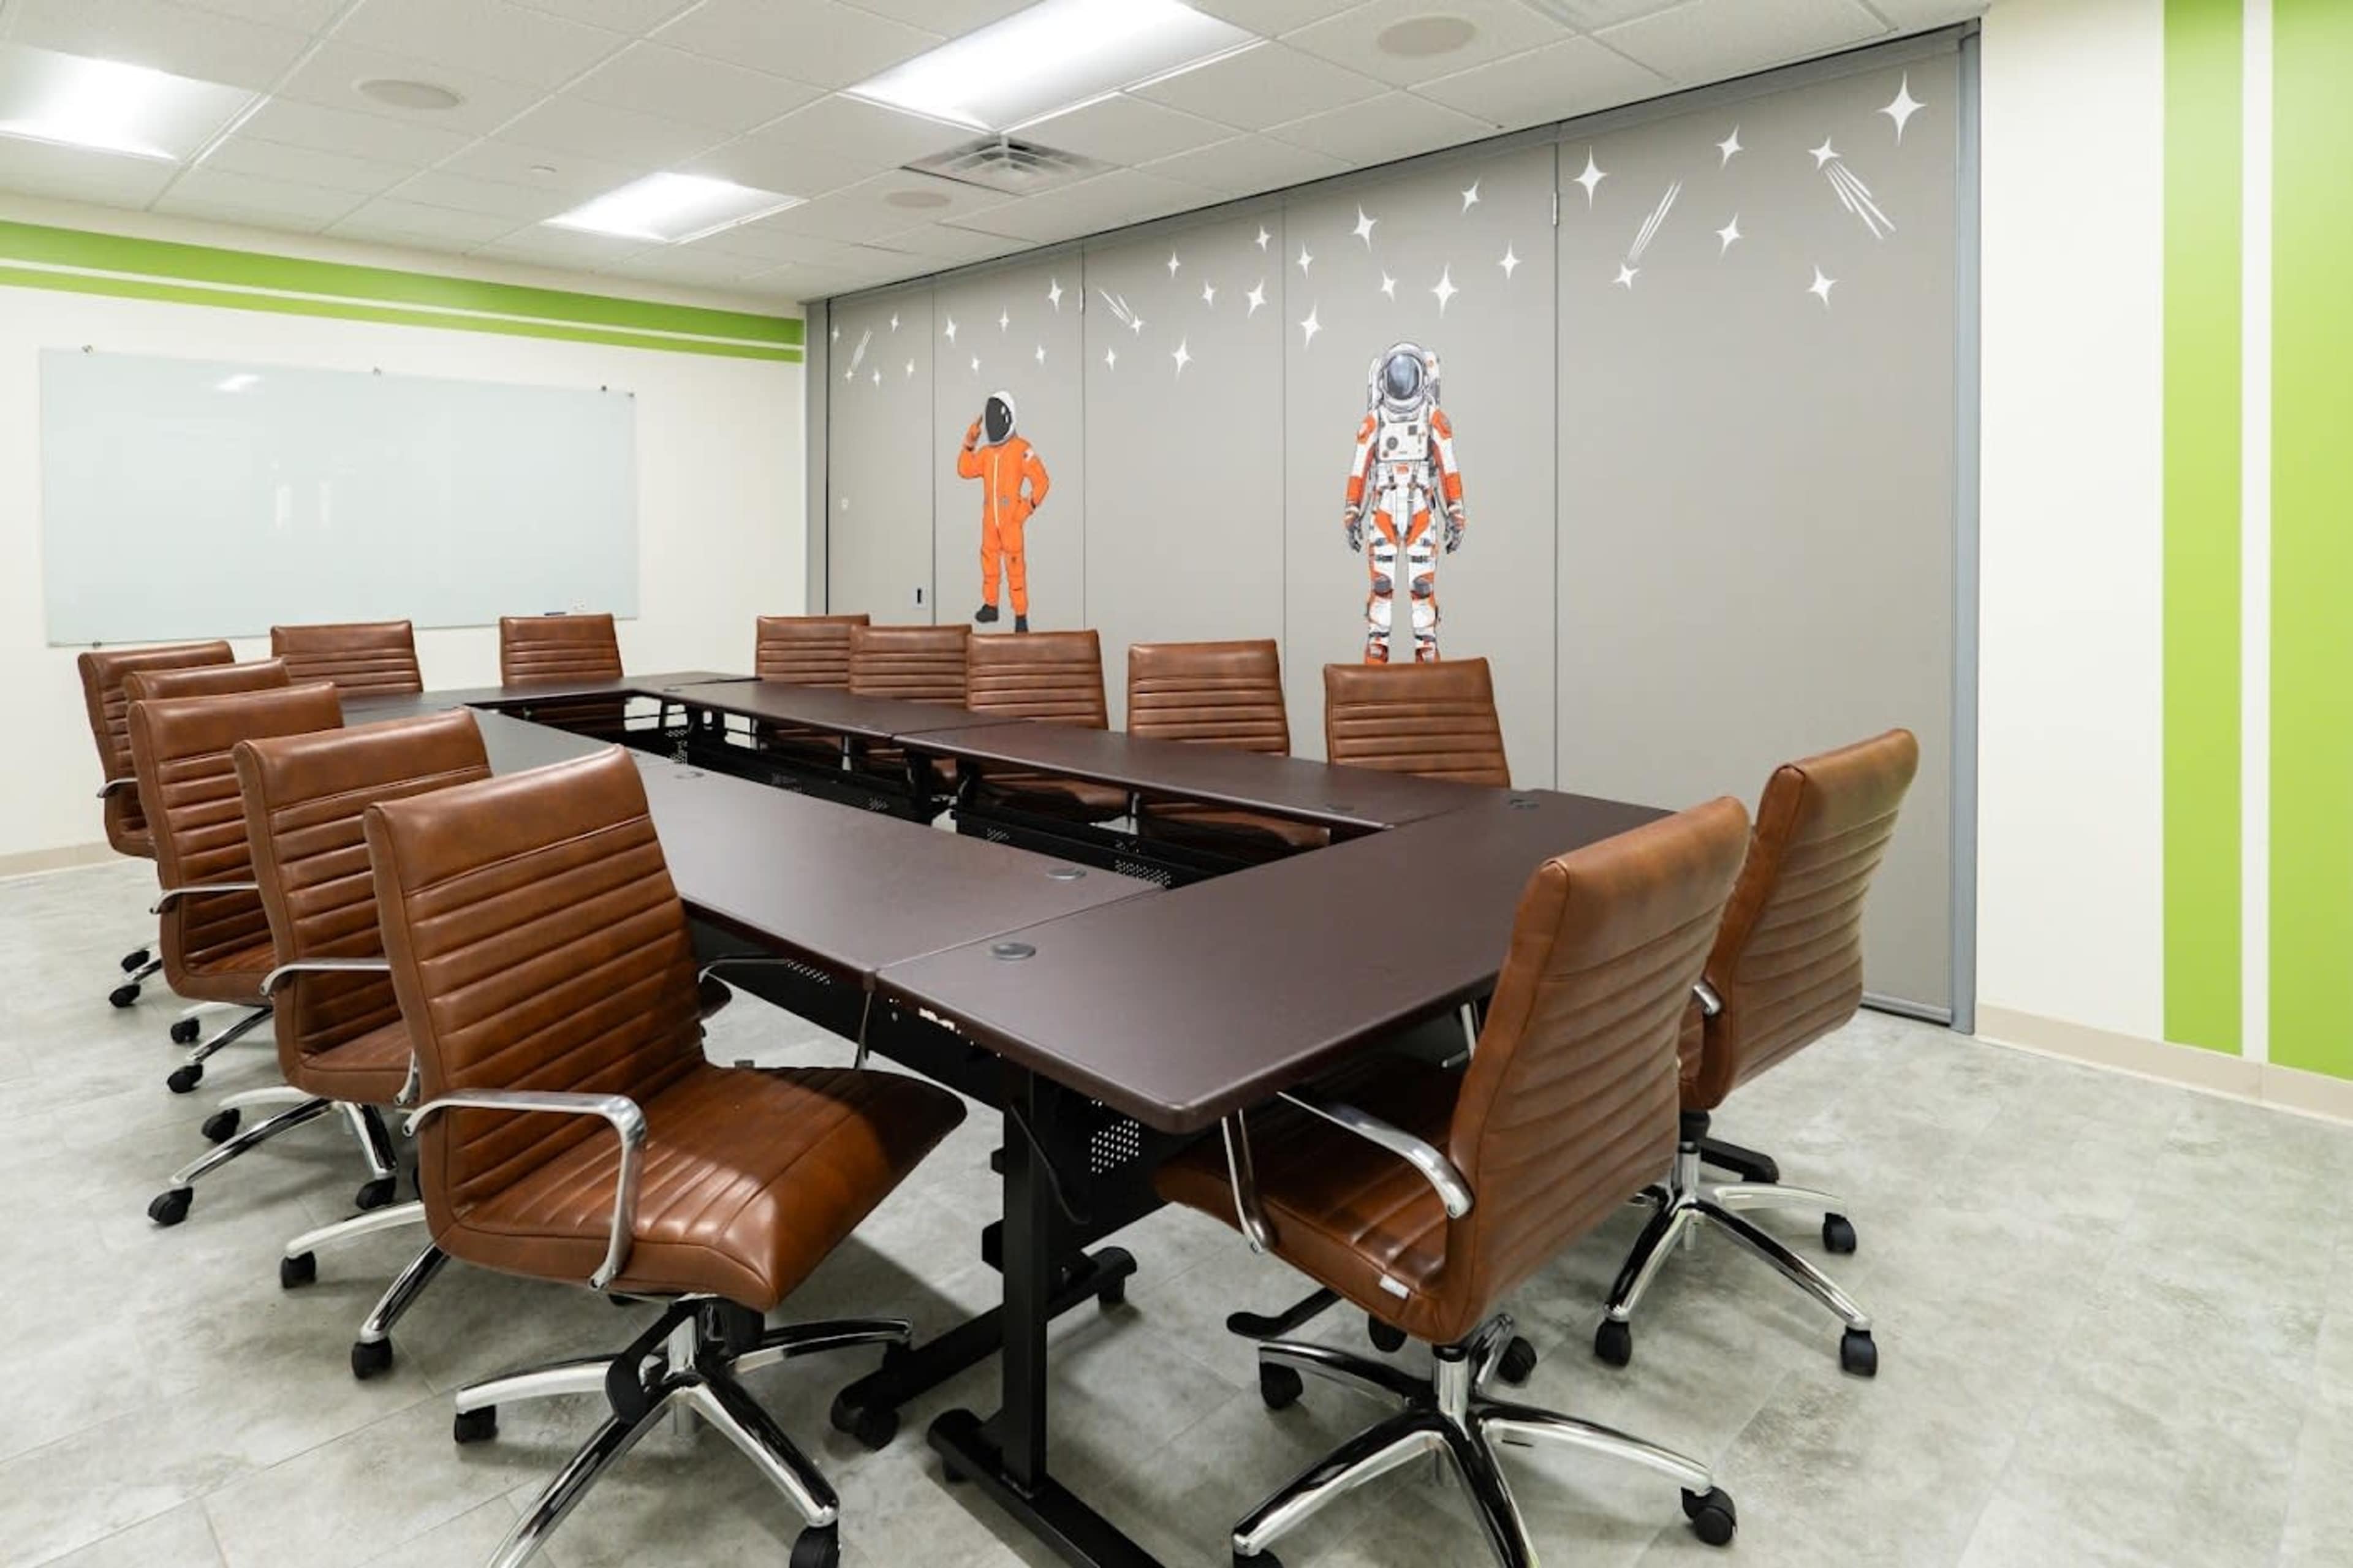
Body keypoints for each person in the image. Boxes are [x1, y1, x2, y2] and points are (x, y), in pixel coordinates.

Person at [1342, 343, 1465, 662]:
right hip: (1384, 506)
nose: (1401, 381)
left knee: (1422, 587)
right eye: (1397, 375)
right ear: (1384, 380)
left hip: (1420, 506)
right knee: (1381, 585)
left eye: (1406, 374)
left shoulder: (1434, 419)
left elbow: (1449, 469)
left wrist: (1456, 514)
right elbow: (1359, 470)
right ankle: (1376, 650)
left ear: (1421, 378)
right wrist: (1352, 512)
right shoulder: (1374, 421)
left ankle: (1427, 650)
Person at [959, 391, 1051, 633]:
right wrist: (971, 440)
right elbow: (965, 469)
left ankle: (1020, 616)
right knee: (989, 565)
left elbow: (1042, 482)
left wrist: (1026, 507)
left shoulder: (1022, 449)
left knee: (1015, 568)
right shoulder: (988, 454)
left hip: (1011, 521)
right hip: (990, 522)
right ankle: (991, 606)